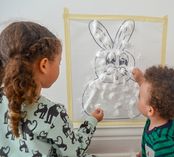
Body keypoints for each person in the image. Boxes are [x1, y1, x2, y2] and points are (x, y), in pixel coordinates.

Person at [0, 21, 104, 157]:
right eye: (59, 62)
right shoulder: (54, 114)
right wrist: (92, 121)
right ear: (44, 65)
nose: (60, 66)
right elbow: (74, 152)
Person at [132, 65, 174, 157]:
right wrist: (140, 79)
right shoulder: (161, 115)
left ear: (150, 110)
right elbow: (149, 93)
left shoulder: (162, 142)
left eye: (140, 97)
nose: (138, 98)